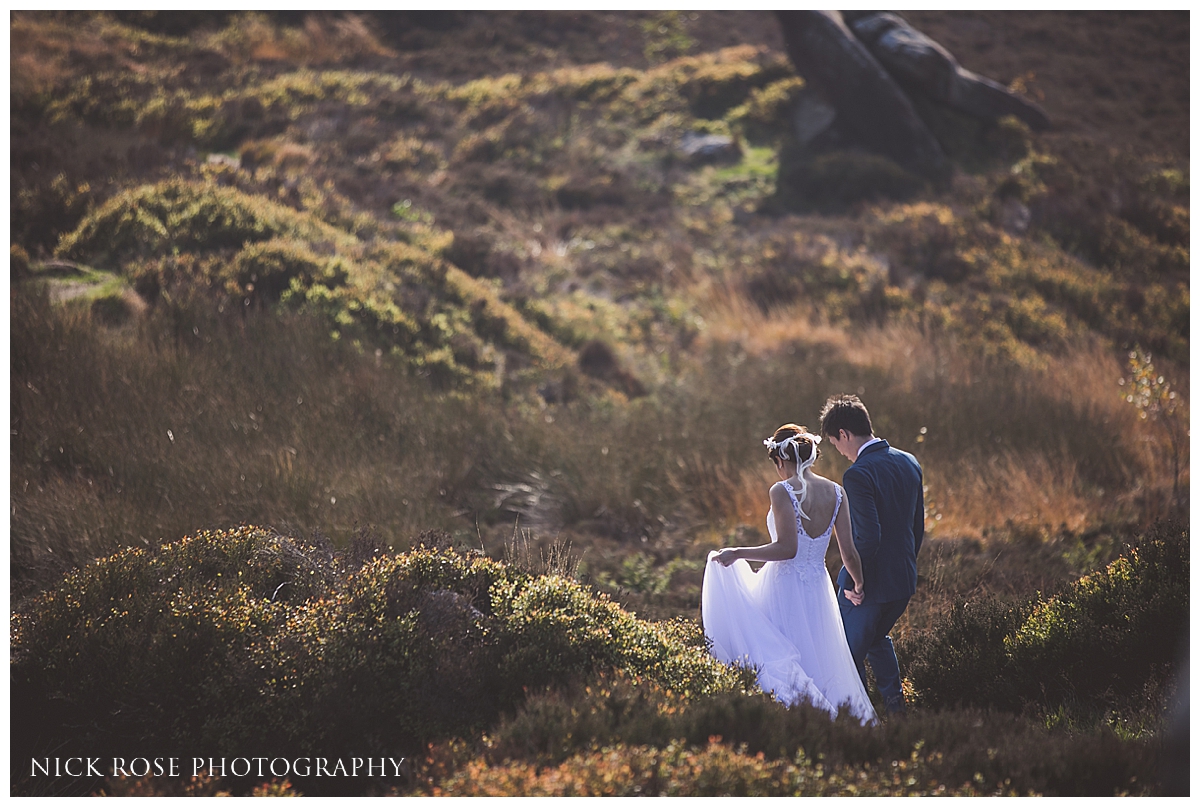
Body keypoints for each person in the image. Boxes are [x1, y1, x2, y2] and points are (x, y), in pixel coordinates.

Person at [701, 424, 876, 724]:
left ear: (780, 460)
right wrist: (858, 583)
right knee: (819, 656)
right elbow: (848, 552)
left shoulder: (781, 490)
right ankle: (832, 722)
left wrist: (738, 553)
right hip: (818, 589)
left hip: (784, 587)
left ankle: (797, 719)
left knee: (779, 649)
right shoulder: (837, 492)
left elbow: (786, 549)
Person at [819, 394, 924, 715]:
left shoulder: (858, 474)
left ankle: (858, 716)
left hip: (869, 587)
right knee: (878, 639)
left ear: (845, 434)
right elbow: (916, 527)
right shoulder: (909, 461)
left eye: (835, 443)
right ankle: (895, 708)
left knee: (845, 656)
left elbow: (868, 537)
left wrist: (854, 581)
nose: (838, 450)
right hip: (903, 580)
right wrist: (904, 565)